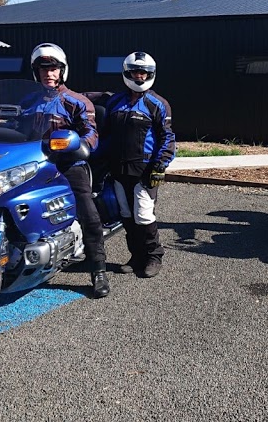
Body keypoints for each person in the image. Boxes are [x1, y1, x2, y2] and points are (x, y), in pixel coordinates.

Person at [25, 42, 110, 297]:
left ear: (62, 71)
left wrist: (82, 146)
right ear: (36, 72)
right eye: (43, 69)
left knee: (89, 214)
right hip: (34, 164)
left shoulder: (77, 102)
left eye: (53, 69)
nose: (48, 74)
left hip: (69, 163)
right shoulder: (27, 101)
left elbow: (91, 133)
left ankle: (98, 269)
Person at [98, 51, 175, 278]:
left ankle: (154, 256)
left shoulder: (158, 104)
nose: (139, 77)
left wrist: (159, 166)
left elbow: (167, 138)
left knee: (143, 214)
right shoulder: (114, 102)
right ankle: (136, 256)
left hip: (145, 170)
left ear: (150, 74)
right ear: (127, 73)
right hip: (118, 169)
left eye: (143, 73)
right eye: (135, 72)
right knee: (126, 214)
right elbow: (105, 135)